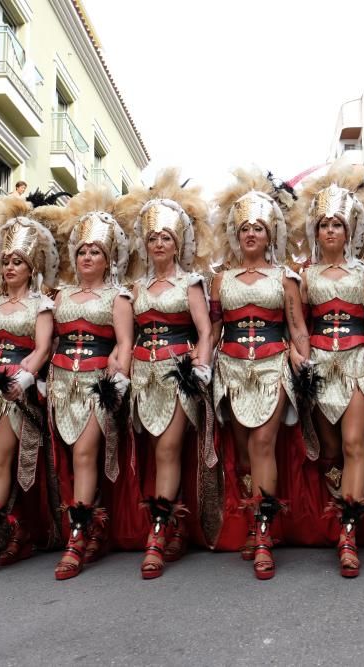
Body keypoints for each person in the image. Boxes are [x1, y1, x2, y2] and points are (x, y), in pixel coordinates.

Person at [293, 162, 364, 578]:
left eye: (338, 224)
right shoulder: (303, 275)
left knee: (354, 444)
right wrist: (299, 360)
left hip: (355, 363)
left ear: (350, 231)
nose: (331, 230)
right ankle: (340, 505)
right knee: (330, 450)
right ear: (315, 232)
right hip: (319, 364)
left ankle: (348, 531)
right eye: (324, 224)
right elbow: (297, 325)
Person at [209, 169, 308, 580]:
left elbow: (296, 325)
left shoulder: (286, 278)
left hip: (272, 363)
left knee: (264, 442)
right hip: (230, 367)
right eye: (245, 228)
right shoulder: (219, 280)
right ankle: (253, 520)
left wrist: (304, 360)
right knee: (245, 449)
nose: (251, 234)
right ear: (236, 234)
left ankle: (264, 532)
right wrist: (202, 363)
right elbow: (213, 327)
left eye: (259, 228)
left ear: (270, 235)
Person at [117, 169, 214, 580]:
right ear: (146, 243)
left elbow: (206, 330)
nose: (159, 243)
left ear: (178, 244)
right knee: (150, 452)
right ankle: (172, 522)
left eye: (166, 238)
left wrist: (202, 365)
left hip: (177, 374)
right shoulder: (132, 290)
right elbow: (124, 338)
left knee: (168, 450)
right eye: (154, 237)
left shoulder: (191, 282)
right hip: (142, 375)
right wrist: (118, 374)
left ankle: (157, 531)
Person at [0, 199, 63, 582]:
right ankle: (18, 529)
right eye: (6, 261)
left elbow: (43, 348)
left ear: (31, 267)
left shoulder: (42, 305)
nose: (9, 267)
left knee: (1, 463)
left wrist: (24, 376)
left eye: (17, 262)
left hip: (15, 392)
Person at [47, 186, 134, 580]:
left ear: (108, 258)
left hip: (97, 383)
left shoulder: (118, 297)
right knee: (66, 459)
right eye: (82, 251)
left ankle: (77, 536)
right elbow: (47, 342)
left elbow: (124, 343)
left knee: (84, 455)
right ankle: (93, 525)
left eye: (95, 251)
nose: (86, 257)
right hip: (61, 381)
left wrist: (119, 378)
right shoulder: (59, 296)